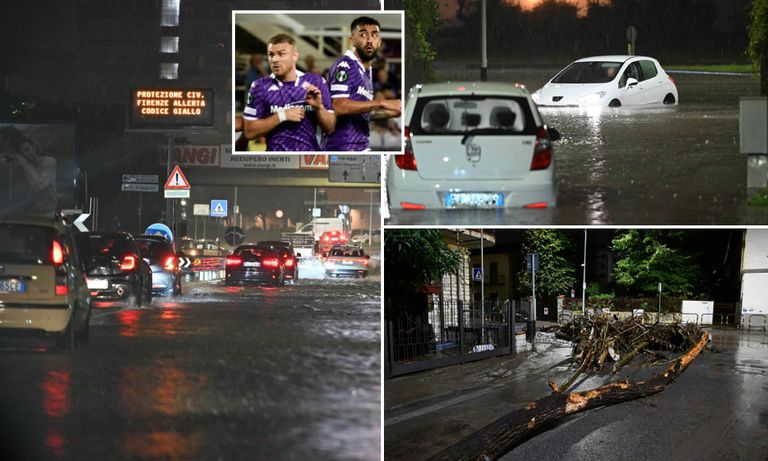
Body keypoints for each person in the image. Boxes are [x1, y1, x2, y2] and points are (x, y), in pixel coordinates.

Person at [241, 34, 335, 151]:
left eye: (281, 54)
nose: (274, 59)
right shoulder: (260, 86)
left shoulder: (316, 82)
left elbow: (330, 128)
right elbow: (249, 132)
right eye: (271, 54)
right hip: (276, 161)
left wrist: (319, 107)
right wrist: (282, 115)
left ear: (295, 56)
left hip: (309, 159)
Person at [323, 16, 401, 151]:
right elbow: (338, 105)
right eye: (363, 35)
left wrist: (388, 113)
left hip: (360, 145)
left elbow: (361, 112)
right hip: (342, 147)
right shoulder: (345, 64)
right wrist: (381, 102)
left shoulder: (367, 70)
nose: (370, 40)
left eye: (374, 35)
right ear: (352, 41)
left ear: (380, 42)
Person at [0, 126, 57, 216]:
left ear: (34, 146)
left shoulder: (48, 162)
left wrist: (24, 163)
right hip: (28, 210)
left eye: (27, 149)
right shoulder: (23, 163)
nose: (26, 154)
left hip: (47, 210)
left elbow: (39, 185)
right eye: (22, 152)